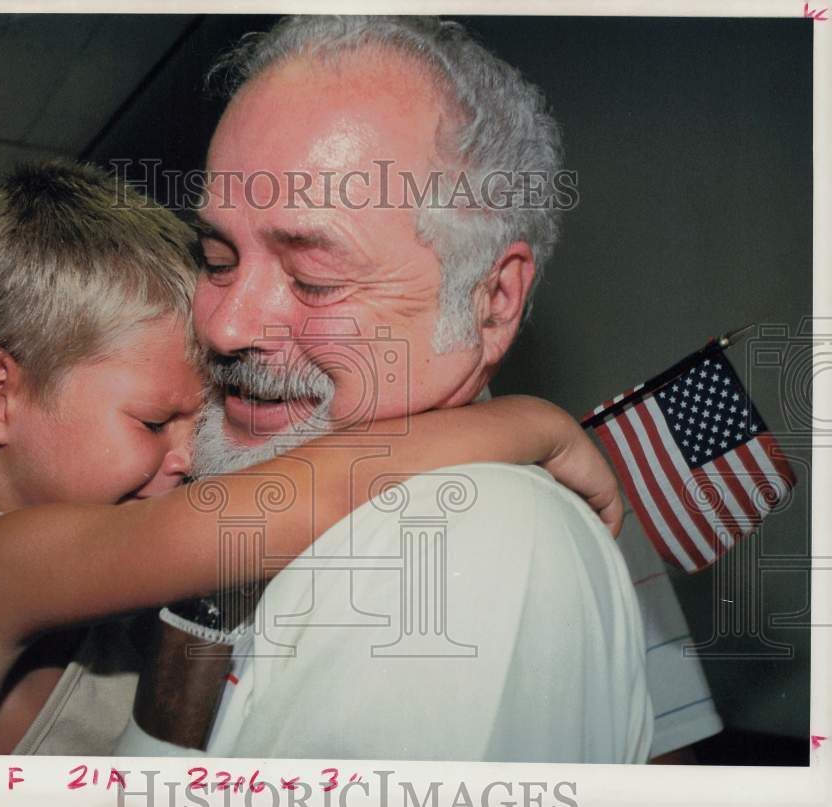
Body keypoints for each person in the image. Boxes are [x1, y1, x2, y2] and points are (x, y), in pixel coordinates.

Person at [0, 161, 623, 755]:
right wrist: (533, 423)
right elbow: (284, 504)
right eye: (154, 421)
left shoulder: (38, 569)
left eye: (199, 416)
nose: (188, 457)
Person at [115, 15, 653, 763]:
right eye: (215, 258)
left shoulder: (466, 544)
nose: (227, 324)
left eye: (314, 279)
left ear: (491, 302)